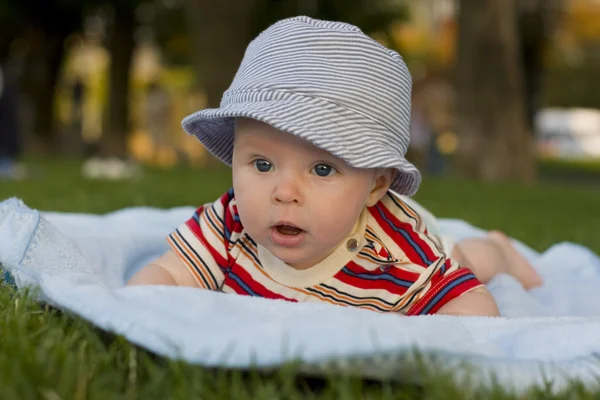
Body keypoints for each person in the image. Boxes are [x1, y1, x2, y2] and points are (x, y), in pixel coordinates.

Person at [128, 16, 542, 316]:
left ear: (376, 185)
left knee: (469, 256)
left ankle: (500, 249)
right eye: (263, 163)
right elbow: (171, 270)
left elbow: (472, 307)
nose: (284, 191)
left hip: (410, 238)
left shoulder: (399, 255)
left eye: (322, 169)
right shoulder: (231, 222)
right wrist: (141, 307)